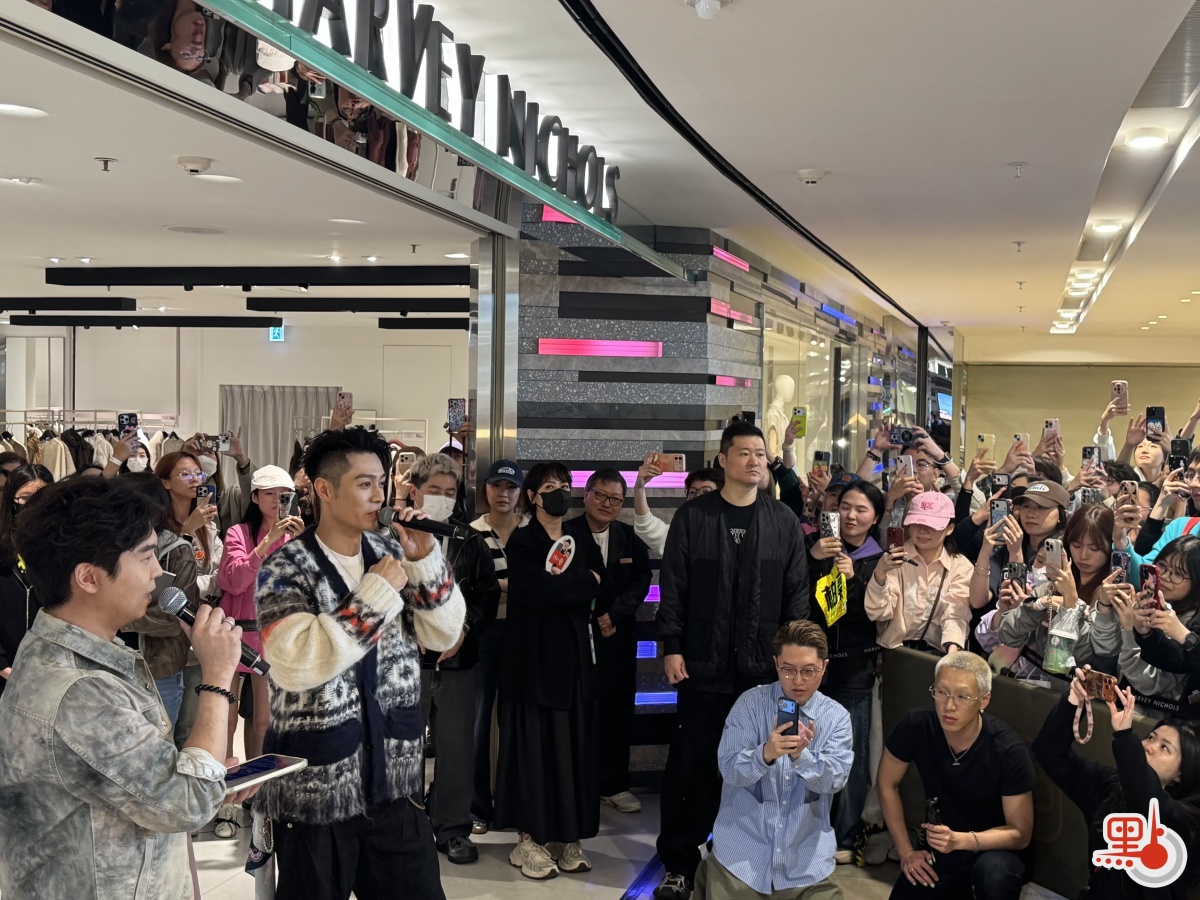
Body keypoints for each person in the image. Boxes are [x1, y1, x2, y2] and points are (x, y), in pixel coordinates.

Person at [0, 477, 252, 897]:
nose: (158, 572)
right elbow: (186, 804)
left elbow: (137, 781)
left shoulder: (60, 648)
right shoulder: (81, 691)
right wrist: (217, 677)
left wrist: (208, 777)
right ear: (88, 577)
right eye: (146, 556)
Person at [253, 426, 464, 900]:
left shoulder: (394, 553)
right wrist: (378, 591)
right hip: (314, 792)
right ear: (324, 490)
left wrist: (427, 561)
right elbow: (294, 664)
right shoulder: (284, 568)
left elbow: (444, 635)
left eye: (381, 483)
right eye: (364, 484)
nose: (379, 496)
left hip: (396, 784)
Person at [654, 420, 811, 900]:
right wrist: (671, 646)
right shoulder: (694, 517)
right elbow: (674, 586)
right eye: (744, 453)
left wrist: (793, 665)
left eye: (761, 453)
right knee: (693, 767)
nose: (755, 461)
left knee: (763, 769)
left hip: (763, 674)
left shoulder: (783, 521)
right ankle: (680, 864)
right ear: (723, 460)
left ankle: (749, 863)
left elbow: (796, 597)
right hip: (703, 667)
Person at [495, 462, 612, 879]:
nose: (559, 491)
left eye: (564, 485)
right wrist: (581, 585)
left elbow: (602, 585)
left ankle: (567, 836)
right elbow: (537, 593)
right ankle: (529, 839)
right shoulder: (523, 541)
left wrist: (578, 588)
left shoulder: (580, 537)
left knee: (574, 747)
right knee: (535, 746)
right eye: (549, 486)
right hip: (533, 660)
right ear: (533, 496)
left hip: (576, 659)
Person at [693, 620, 853, 900]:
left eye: (809, 671)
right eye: (788, 669)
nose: (798, 681)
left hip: (806, 867)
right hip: (741, 860)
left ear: (824, 667)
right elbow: (728, 769)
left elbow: (835, 781)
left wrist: (801, 757)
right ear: (776, 663)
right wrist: (765, 754)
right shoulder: (749, 704)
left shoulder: (836, 718)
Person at [877, 652, 1035, 900]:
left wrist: (962, 840)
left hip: (997, 849)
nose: (949, 706)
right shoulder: (916, 724)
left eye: (962, 696)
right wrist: (906, 851)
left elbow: (1020, 834)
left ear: (984, 700)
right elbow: (887, 783)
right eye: (941, 692)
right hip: (945, 846)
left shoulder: (1007, 749)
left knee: (994, 874)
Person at [1033, 666, 1200, 899]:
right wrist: (1073, 701)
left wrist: (1124, 737)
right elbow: (1049, 752)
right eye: (1151, 737)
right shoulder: (1110, 786)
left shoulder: (1186, 819)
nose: (1149, 747)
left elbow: (1149, 804)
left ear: (1181, 774)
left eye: (1165, 748)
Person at [409, 452, 499, 865]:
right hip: (408, 663)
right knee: (405, 748)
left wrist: (463, 629)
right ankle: (407, 827)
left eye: (450, 492)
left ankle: (452, 829)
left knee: (457, 748)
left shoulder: (470, 539)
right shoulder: (393, 535)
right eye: (434, 490)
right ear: (415, 491)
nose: (443, 498)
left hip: (459, 660)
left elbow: (487, 593)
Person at [210, 465, 305, 837]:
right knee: (225, 721)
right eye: (270, 494)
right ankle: (226, 801)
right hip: (234, 635)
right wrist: (266, 544)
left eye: (284, 495)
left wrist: (301, 545)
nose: (278, 501)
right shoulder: (239, 532)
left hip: (271, 638)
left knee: (264, 723)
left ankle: (259, 797)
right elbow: (232, 581)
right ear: (254, 497)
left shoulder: (297, 537)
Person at [808, 479, 886, 858]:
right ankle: (810, 830)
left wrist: (854, 580)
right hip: (812, 669)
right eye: (845, 507)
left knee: (850, 754)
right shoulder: (817, 549)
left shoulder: (878, 560)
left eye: (861, 510)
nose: (851, 516)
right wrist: (813, 559)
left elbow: (868, 619)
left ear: (876, 518)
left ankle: (847, 832)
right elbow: (804, 604)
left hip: (855, 668)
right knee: (810, 749)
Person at [568, 468, 653, 814]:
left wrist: (613, 613)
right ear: (585, 494)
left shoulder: (630, 537)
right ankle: (577, 785)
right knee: (578, 712)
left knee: (618, 711)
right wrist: (596, 614)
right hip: (577, 637)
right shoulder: (565, 533)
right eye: (600, 495)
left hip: (619, 638)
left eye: (615, 499)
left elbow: (642, 580)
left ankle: (614, 785)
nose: (607, 504)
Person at [469, 458, 527, 834]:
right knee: (477, 722)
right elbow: (473, 584)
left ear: (521, 493)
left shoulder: (532, 530)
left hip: (523, 633)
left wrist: (499, 584)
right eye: (496, 486)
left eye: (510, 487)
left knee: (517, 721)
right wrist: (514, 586)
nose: (503, 493)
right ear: (485, 490)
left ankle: (512, 806)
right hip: (483, 632)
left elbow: (542, 583)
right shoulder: (472, 533)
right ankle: (477, 806)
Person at [119, 472, 203, 729]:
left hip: (159, 668)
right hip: (117, 663)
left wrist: (119, 619)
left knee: (162, 739)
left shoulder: (177, 550)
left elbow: (177, 619)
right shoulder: (113, 547)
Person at [1093, 535, 1200, 706]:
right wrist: (1104, 606)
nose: (1165, 576)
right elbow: (1104, 650)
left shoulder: (1190, 624)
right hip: (1116, 699)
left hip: (1153, 713)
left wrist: (1130, 630)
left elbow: (1149, 684)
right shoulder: (1142, 601)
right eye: (1162, 566)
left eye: (1178, 574)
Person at [866, 492, 972, 654]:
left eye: (932, 525)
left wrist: (952, 648)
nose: (922, 530)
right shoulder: (894, 560)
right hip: (893, 651)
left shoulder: (960, 566)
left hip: (939, 651)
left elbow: (956, 612)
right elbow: (878, 613)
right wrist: (880, 574)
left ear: (950, 528)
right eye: (916, 523)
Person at [0, 464, 53, 694]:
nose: (35, 504)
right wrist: (3, 665)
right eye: (26, 497)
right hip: (7, 669)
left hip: (51, 668)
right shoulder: (3, 545)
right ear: (12, 500)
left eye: (43, 496)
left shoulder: (64, 546)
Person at [156, 451, 222, 605]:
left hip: (204, 609)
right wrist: (187, 532)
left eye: (198, 474)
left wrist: (194, 585)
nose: (194, 479)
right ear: (166, 483)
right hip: (169, 612)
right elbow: (165, 581)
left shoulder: (207, 526)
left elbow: (222, 574)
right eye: (185, 474)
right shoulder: (155, 528)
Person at [632, 458, 723, 556]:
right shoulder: (678, 536)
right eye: (692, 492)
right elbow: (646, 526)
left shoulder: (729, 533)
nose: (697, 497)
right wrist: (639, 487)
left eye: (706, 492)